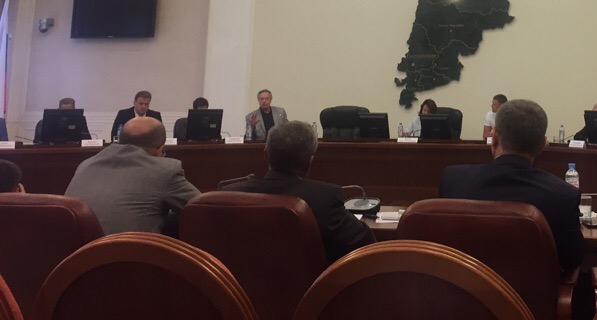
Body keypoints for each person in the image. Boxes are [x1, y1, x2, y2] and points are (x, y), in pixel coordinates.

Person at [440, 99, 584, 272]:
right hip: (529, 290)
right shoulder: (564, 195)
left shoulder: (453, 179)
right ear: (541, 145)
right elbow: (572, 260)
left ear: (494, 138)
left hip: (463, 287)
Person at [225, 120, 375, 261]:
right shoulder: (324, 198)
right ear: (309, 162)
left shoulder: (231, 195)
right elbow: (366, 243)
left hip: (242, 281)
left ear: (265, 155)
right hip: (316, 281)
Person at [65, 116, 199, 235]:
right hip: (126, 252)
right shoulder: (166, 169)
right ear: (159, 149)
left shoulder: (85, 164)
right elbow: (202, 207)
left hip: (73, 252)